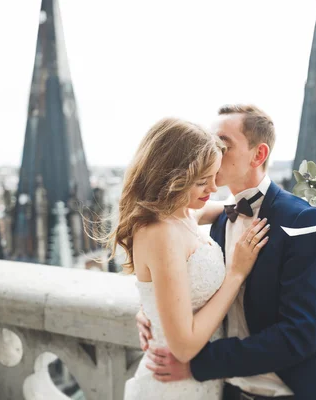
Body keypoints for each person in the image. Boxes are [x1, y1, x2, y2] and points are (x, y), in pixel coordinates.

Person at [137, 105, 316, 400]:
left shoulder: (304, 221)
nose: (210, 152)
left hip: (294, 392)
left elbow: (299, 335)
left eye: (222, 146)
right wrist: (155, 313)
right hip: (228, 391)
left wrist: (198, 365)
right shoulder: (218, 217)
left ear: (258, 155)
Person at [110, 117, 270, 400]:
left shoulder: (184, 213)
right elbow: (183, 347)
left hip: (203, 383)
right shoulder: (160, 232)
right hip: (173, 386)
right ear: (171, 179)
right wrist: (236, 274)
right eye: (201, 182)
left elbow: (233, 207)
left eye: (214, 176)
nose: (212, 189)